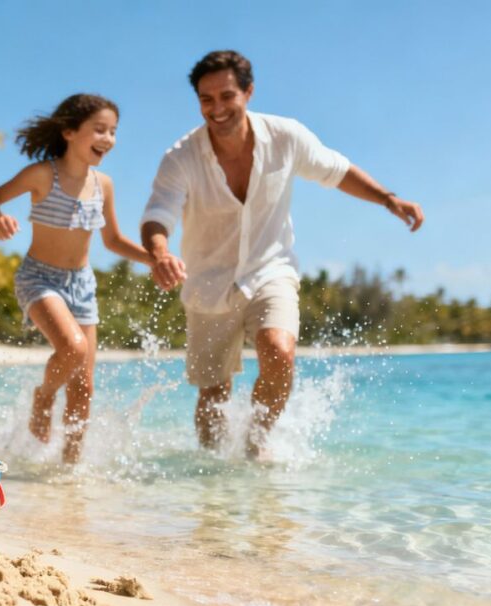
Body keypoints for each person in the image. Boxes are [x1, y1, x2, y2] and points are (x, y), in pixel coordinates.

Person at [141, 50, 425, 454]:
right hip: (207, 282)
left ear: (248, 92)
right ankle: (211, 481)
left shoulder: (285, 136)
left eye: (227, 96)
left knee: (278, 352)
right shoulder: (180, 157)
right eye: (207, 100)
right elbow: (158, 213)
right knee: (213, 394)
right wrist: (159, 252)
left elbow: (336, 170)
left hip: (269, 270)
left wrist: (388, 199)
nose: (217, 109)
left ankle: (255, 448)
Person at [0, 94, 152, 463]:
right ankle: (43, 396)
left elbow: (114, 240)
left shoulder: (103, 184)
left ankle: (69, 469)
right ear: (70, 131)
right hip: (39, 278)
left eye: (113, 132)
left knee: (84, 387)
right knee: (73, 349)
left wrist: (156, 259)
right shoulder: (43, 174)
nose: (108, 139)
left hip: (82, 285)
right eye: (100, 129)